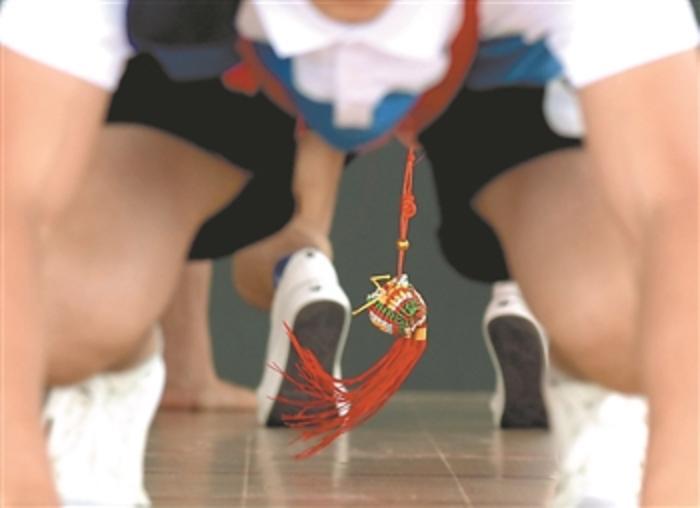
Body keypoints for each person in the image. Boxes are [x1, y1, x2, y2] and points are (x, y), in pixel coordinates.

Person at [2, 0, 697, 506]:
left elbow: (677, 203)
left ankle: (613, 422)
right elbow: (14, 197)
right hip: (219, 57)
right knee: (67, 305)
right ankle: (100, 400)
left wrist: (678, 483)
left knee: (626, 309)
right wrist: (19, 478)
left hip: (494, 67)